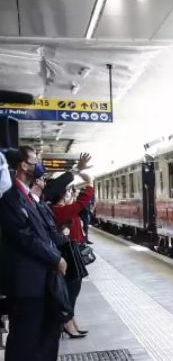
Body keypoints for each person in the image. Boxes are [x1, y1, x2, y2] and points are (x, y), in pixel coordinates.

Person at [0, 146, 66, 361]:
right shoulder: (10, 197)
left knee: (46, 336)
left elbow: (43, 233)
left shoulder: (28, 197)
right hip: (27, 285)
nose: (39, 165)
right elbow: (24, 236)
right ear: (23, 165)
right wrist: (55, 258)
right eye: (35, 160)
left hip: (42, 281)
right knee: (25, 341)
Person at [48, 152, 93, 339]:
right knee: (70, 291)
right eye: (68, 191)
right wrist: (89, 183)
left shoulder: (61, 209)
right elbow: (82, 202)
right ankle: (66, 322)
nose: (70, 194)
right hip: (67, 255)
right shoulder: (59, 211)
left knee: (73, 291)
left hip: (72, 254)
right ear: (62, 194)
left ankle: (70, 320)